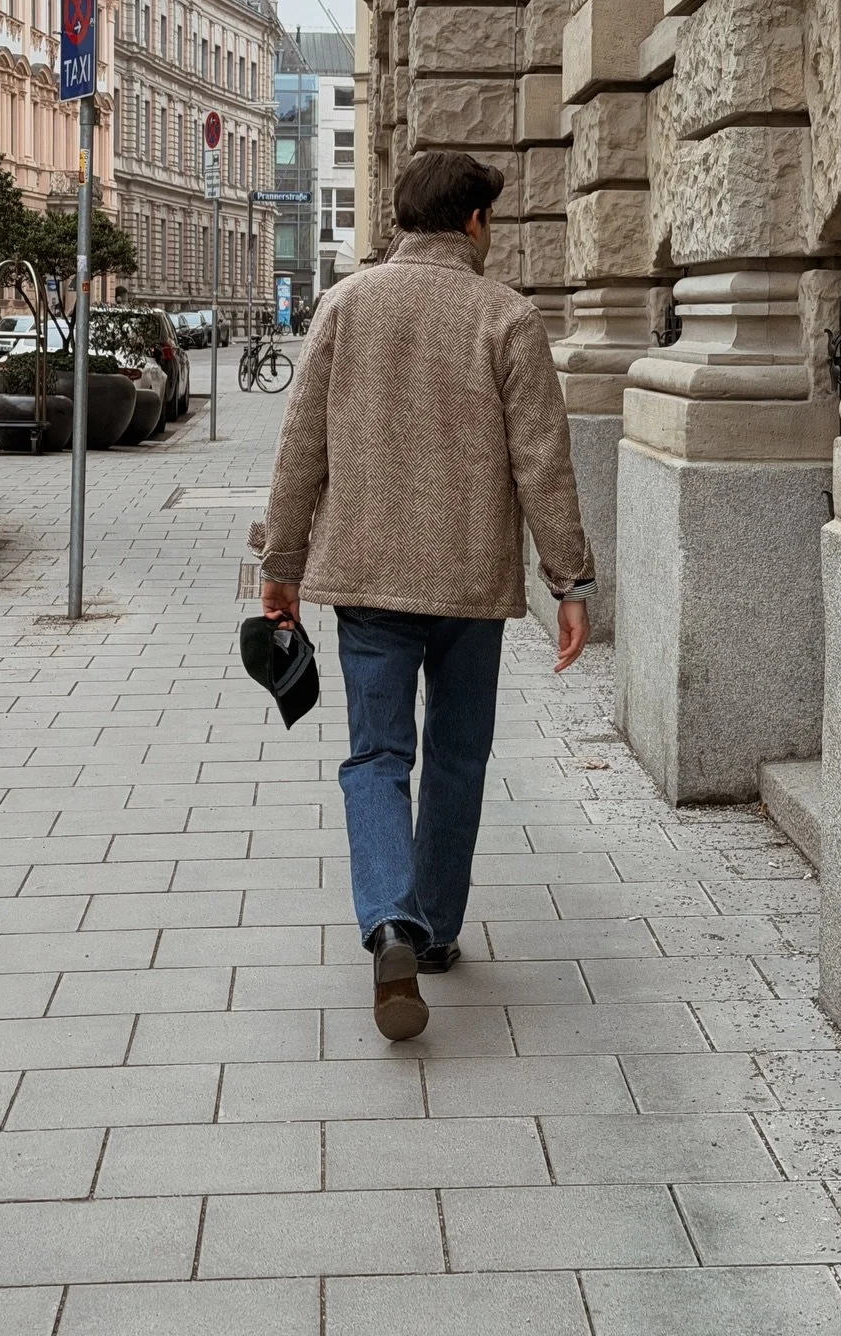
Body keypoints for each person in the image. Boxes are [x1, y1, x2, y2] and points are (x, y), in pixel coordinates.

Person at [251, 152, 594, 1040]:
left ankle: (390, 922)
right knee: (456, 755)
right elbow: (543, 464)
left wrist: (280, 566)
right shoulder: (507, 317)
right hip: (471, 584)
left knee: (376, 757)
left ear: (405, 219)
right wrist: (570, 579)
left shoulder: (347, 305)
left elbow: (300, 450)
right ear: (474, 222)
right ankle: (434, 931)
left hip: (365, 578)